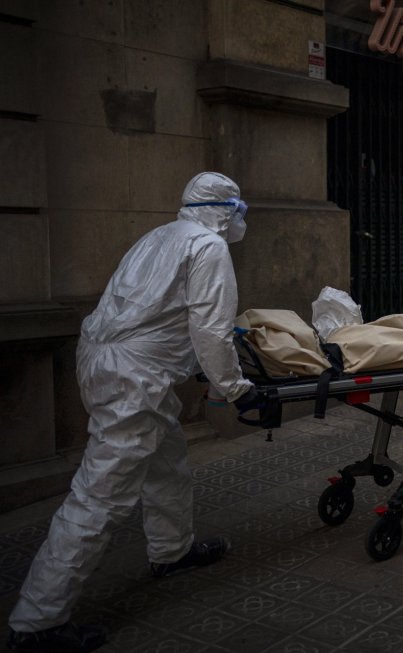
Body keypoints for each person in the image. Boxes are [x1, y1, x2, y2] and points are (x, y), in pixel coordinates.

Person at [7, 172, 264, 653]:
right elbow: (211, 327)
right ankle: (37, 621)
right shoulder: (208, 248)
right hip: (134, 379)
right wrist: (235, 388)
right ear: (225, 211)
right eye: (238, 211)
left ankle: (172, 550)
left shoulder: (160, 235)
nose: (239, 220)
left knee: (167, 463)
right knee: (99, 496)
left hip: (108, 362)